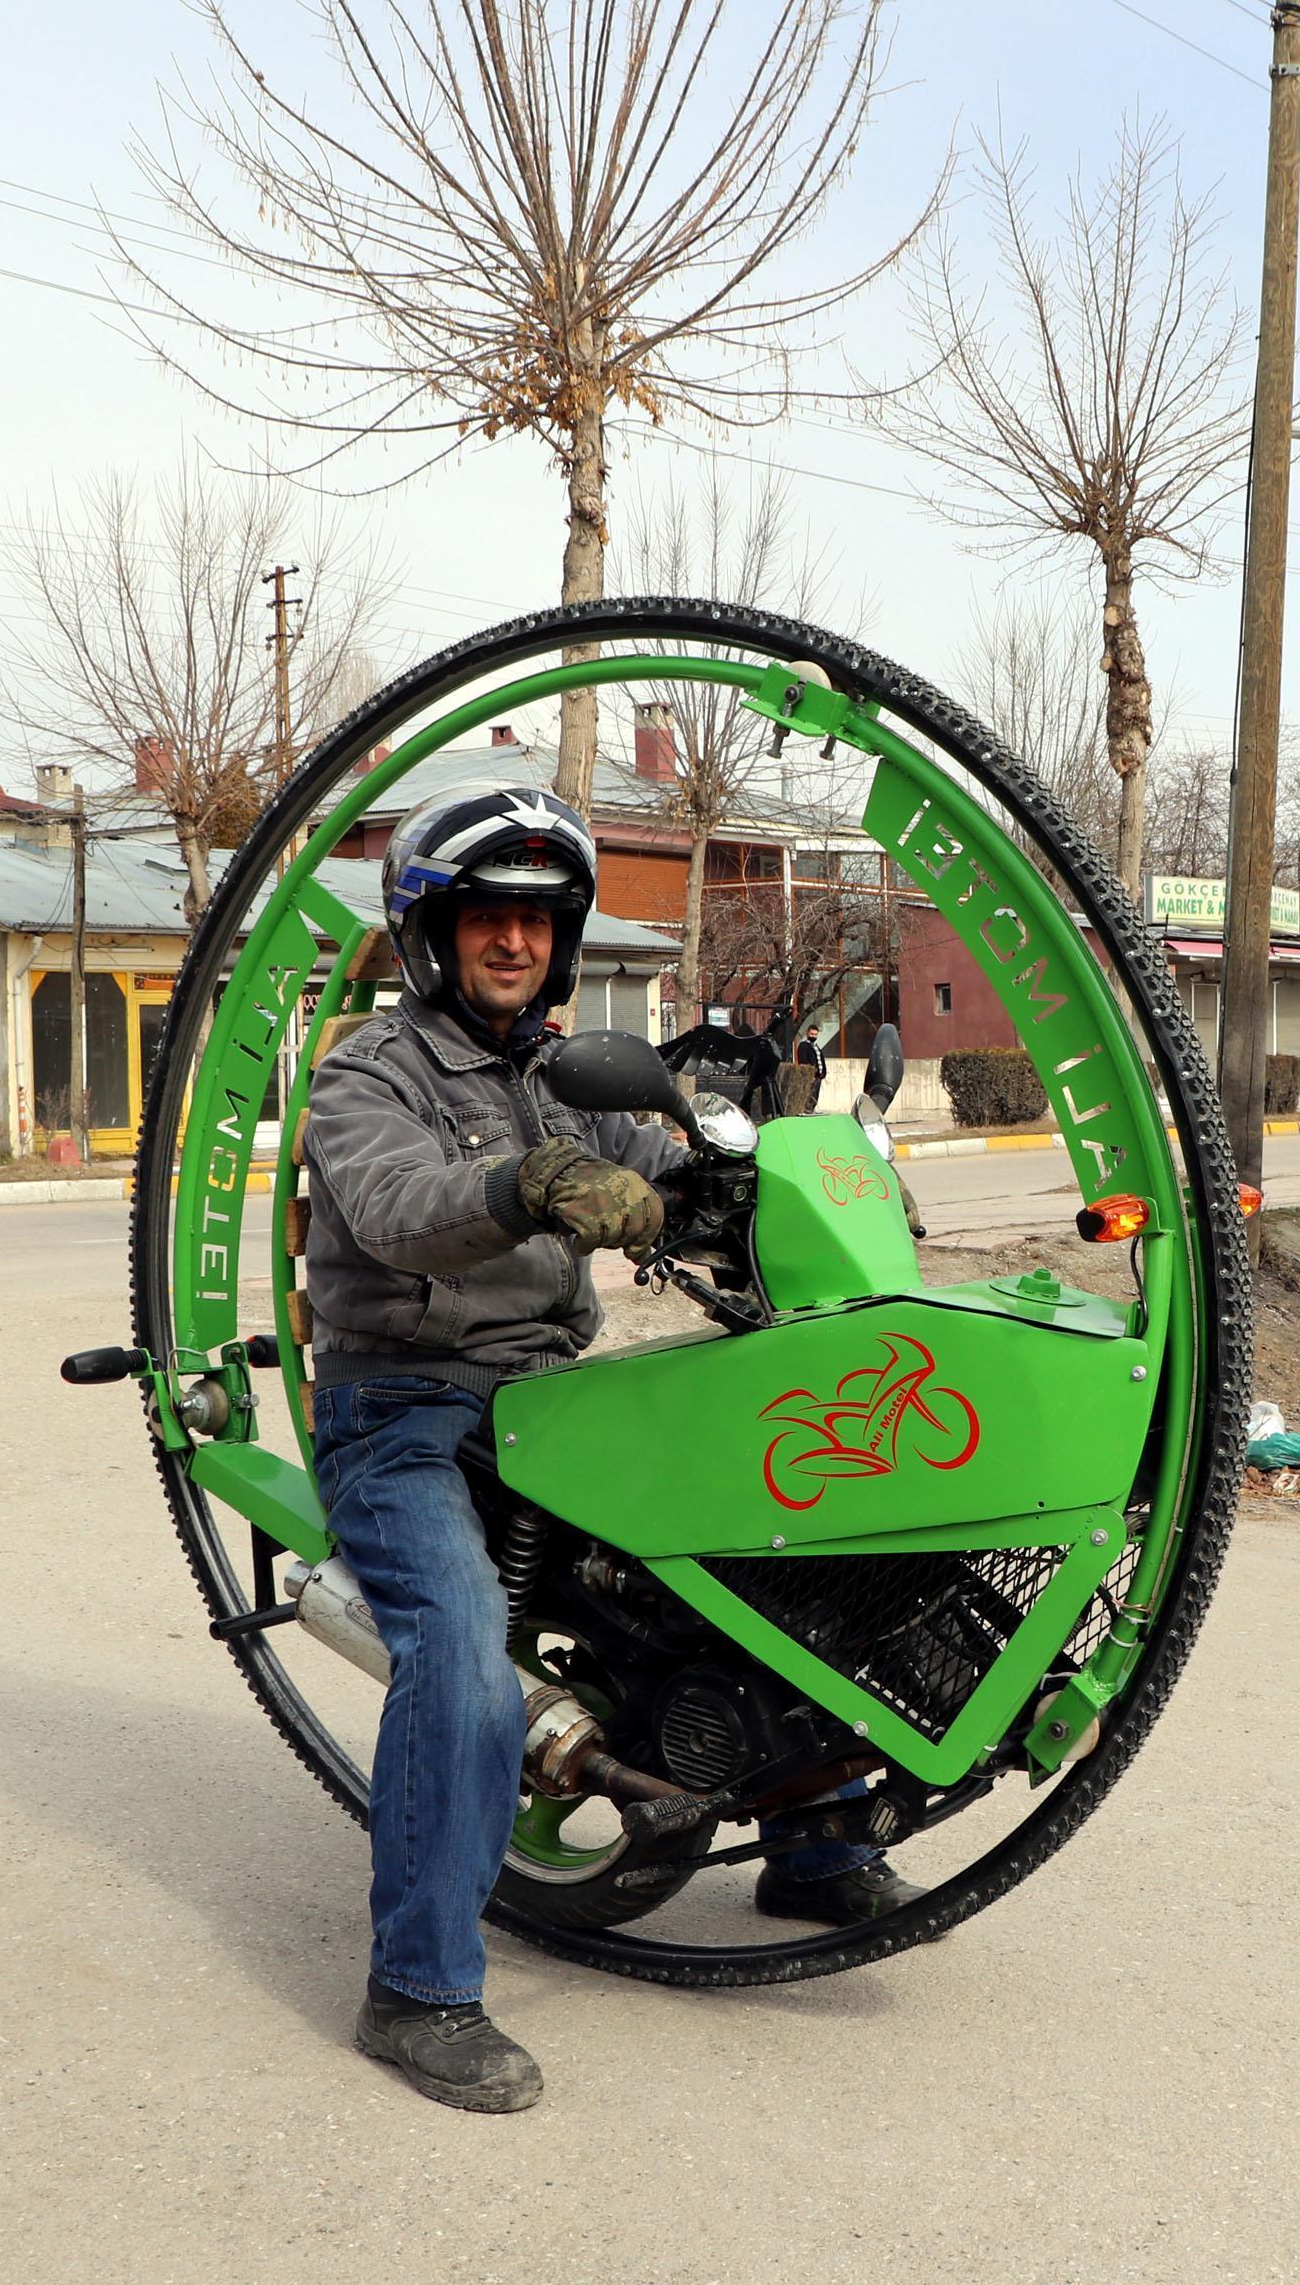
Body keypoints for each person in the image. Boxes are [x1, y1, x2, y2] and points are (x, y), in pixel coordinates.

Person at [298, 782, 919, 2115]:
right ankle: (416, 1988)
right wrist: (520, 1187)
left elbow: (665, 1151)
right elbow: (398, 1208)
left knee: (777, 1524)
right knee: (463, 1661)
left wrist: (749, 1169)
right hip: (404, 1413)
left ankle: (809, 1839)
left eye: (538, 919)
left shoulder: (562, 1078)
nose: (514, 943)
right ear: (433, 931)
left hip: (552, 1402)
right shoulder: (368, 1071)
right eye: (487, 917)